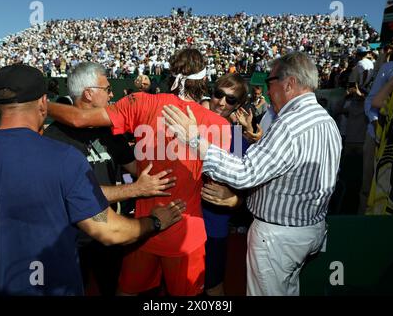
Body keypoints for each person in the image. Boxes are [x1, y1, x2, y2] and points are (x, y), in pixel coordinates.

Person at [0, 64, 185, 296]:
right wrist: (155, 222)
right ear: (42, 102)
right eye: (107, 88)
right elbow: (108, 229)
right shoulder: (61, 156)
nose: (111, 94)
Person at [47, 48, 231, 296]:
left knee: (128, 292)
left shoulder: (141, 102)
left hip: (142, 228)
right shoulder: (219, 124)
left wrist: (41, 105)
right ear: (203, 79)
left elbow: (81, 119)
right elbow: (221, 182)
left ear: (170, 73)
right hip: (186, 230)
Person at [163, 51, 342, 296]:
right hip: (304, 230)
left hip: (277, 236)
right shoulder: (326, 120)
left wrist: (195, 140)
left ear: (288, 83)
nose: (267, 92)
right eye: (218, 94)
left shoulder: (289, 124)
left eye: (270, 83)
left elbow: (246, 174)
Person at [44, 62, 177, 295]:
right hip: (74, 238)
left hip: (113, 229)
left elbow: (136, 166)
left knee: (114, 286)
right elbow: (74, 194)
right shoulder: (55, 136)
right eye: (106, 89)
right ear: (88, 92)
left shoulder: (109, 131)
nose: (112, 93)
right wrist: (136, 190)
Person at [200, 74, 248, 296]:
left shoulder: (238, 139)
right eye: (218, 94)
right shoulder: (188, 126)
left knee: (212, 285)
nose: (221, 102)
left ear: (237, 105)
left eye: (230, 99)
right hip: (178, 221)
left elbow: (250, 189)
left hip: (213, 226)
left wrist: (236, 199)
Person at [360, 27, 393, 214]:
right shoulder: (391, 68)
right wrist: (376, 124)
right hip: (378, 137)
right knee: (370, 188)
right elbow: (374, 101)